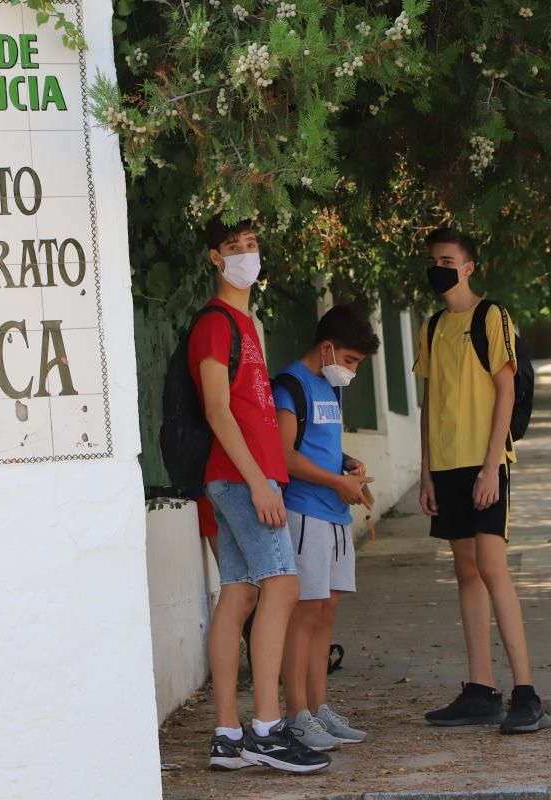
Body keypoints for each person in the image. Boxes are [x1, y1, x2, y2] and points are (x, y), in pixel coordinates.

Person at [189, 215, 330, 773]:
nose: (247, 254)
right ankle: (267, 728)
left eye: (253, 244)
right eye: (234, 247)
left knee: (240, 594)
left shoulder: (246, 322)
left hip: (244, 475)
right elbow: (218, 410)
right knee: (284, 586)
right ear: (215, 259)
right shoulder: (215, 324)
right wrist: (257, 480)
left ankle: (228, 734)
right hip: (240, 476)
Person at [413, 228, 551, 734]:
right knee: (466, 573)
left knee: (493, 568)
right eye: (433, 259)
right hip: (446, 466)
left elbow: (506, 390)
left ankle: (527, 693)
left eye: (447, 259)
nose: (438, 267)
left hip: (485, 461)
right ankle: (479, 689)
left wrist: (492, 466)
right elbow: (430, 405)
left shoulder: (491, 316)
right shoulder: (430, 328)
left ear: (469, 266)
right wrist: (425, 472)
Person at [273, 305, 380, 751]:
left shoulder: (330, 388)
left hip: (335, 515)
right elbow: (286, 457)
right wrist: (339, 481)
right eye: (351, 361)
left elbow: (320, 447)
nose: (352, 370)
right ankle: (296, 714)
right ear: (327, 347)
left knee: (325, 614)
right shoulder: (291, 385)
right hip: (305, 515)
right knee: (304, 615)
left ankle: (319, 710)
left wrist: (346, 463)